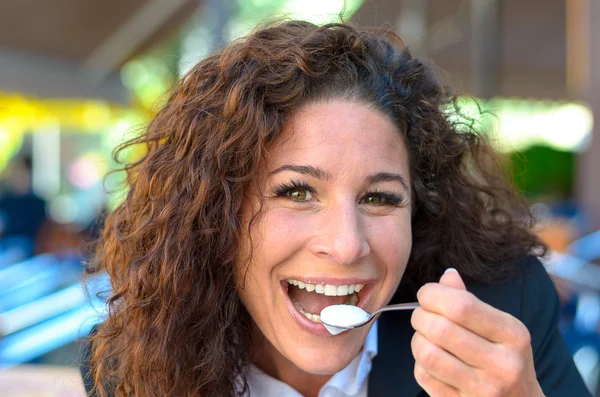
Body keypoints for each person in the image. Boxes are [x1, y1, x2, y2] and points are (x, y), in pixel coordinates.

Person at [80, 21, 590, 396]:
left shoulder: (506, 309)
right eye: (297, 192)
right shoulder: (137, 362)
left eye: (379, 198)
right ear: (216, 216)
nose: (347, 245)